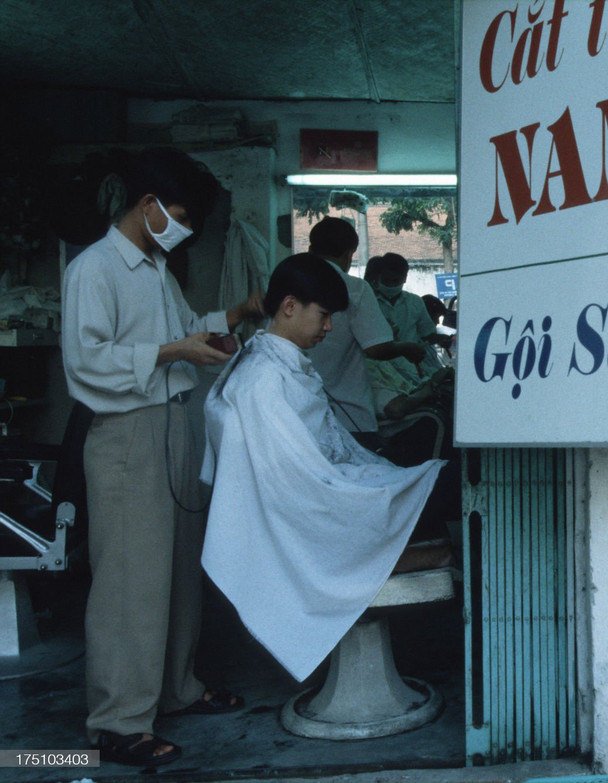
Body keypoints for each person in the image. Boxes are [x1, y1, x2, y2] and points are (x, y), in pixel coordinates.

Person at [60, 147, 262, 767]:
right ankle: (118, 722)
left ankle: (176, 688)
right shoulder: (95, 269)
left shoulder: (156, 269)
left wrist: (234, 316)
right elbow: (87, 360)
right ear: (147, 205)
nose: (183, 230)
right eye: (179, 216)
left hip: (176, 423)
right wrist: (174, 353)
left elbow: (184, 328)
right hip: (127, 432)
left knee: (176, 569)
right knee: (130, 579)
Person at [200, 253, 447, 682]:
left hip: (321, 493)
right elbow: (297, 484)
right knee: (448, 486)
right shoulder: (263, 380)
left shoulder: (279, 364)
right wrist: (369, 485)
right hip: (309, 515)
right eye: (324, 315)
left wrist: (372, 474)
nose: (329, 327)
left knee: (431, 479)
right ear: (289, 306)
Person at [304, 218, 425, 437]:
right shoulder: (355, 289)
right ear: (349, 254)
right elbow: (377, 348)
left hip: (300, 415)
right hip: (349, 416)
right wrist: (406, 347)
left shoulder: (289, 285)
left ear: (311, 250)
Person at [364, 252, 452, 375]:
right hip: (380, 368)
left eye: (396, 281)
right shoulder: (367, 302)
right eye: (386, 281)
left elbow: (427, 334)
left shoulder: (415, 302)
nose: (391, 285)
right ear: (378, 277)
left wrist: (440, 339)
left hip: (412, 366)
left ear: (405, 278)